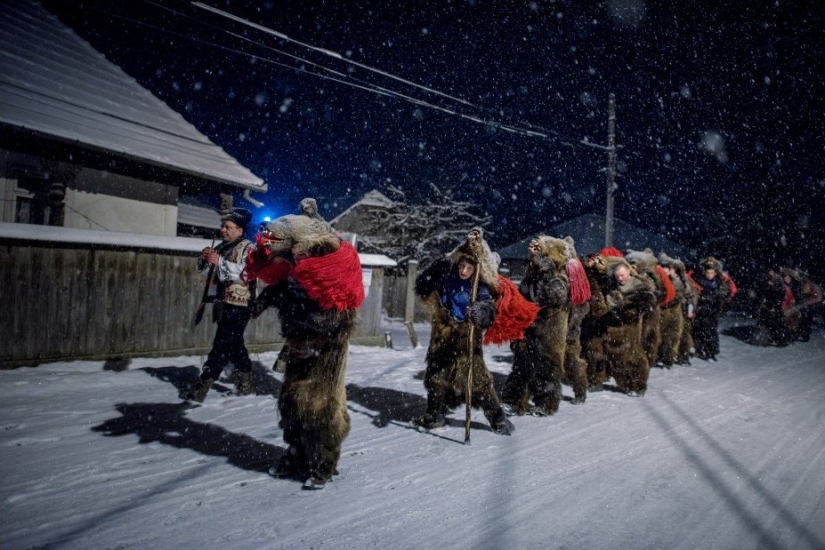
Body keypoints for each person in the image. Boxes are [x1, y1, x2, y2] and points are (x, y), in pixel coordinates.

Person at [413, 229, 513, 435]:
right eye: (462, 265)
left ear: (475, 270)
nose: (464, 270)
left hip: (466, 337)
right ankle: (435, 414)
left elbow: (488, 309)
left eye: (469, 267)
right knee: (436, 376)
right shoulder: (448, 279)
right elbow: (425, 289)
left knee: (477, 380)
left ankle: (498, 419)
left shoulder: (479, 286)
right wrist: (432, 273)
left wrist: (479, 311)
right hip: (443, 333)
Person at [186, 207, 255, 402]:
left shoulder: (248, 248)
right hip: (222, 303)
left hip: (240, 304)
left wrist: (220, 262)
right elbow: (203, 269)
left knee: (222, 343)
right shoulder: (222, 247)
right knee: (234, 342)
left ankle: (203, 384)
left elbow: (247, 273)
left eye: (228, 227)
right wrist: (204, 258)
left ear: (240, 230)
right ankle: (246, 379)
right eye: (222, 226)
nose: (223, 230)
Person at [692, 257, 731, 361]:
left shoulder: (719, 282)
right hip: (701, 309)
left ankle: (711, 350)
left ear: (715, 273)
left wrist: (717, 300)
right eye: (708, 273)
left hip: (713, 310)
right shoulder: (700, 280)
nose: (709, 275)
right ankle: (699, 349)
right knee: (699, 330)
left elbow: (725, 293)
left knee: (710, 331)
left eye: (711, 273)